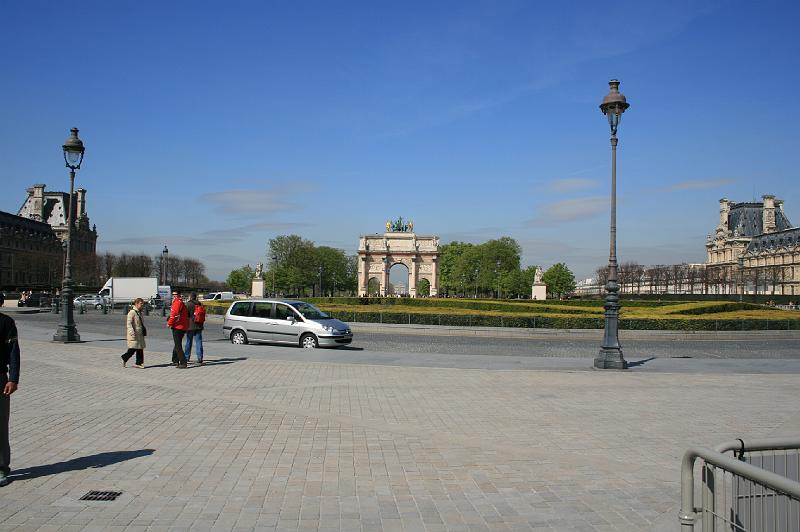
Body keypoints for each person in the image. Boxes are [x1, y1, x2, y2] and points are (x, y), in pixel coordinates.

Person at [0, 293, 20, 487]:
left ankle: (1, 467)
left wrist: (13, 378)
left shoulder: (6, 323)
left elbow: (14, 352)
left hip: (0, 378)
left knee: (0, 425)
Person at [121, 298, 147, 369]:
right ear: (136, 304)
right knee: (132, 349)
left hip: (140, 333)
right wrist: (131, 332)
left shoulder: (140, 312)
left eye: (143, 304)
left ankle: (139, 363)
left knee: (140, 348)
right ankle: (124, 357)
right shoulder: (132, 312)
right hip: (134, 334)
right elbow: (128, 323)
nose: (142, 305)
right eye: (141, 303)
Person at [167, 291, 189, 369]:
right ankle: (175, 360)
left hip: (178, 326)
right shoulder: (181, 302)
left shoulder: (177, 303)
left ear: (179, 295)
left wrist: (169, 323)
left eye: (175, 295)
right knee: (177, 343)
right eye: (173, 295)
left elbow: (174, 315)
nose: (174, 296)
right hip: (183, 326)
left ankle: (183, 362)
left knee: (178, 345)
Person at [184, 293, 205, 364]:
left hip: (190, 326)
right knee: (198, 342)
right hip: (199, 325)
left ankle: (186, 357)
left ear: (190, 297)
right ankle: (200, 358)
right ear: (195, 297)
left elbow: (185, 315)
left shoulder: (188, 304)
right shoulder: (200, 304)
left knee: (188, 342)